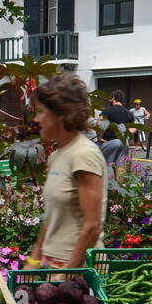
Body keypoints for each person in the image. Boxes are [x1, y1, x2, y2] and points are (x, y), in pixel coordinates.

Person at [27, 75, 108, 268]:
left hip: (79, 271)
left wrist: (68, 275)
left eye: (40, 112)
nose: (36, 119)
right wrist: (33, 261)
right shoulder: (57, 156)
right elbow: (51, 218)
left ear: (59, 114)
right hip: (55, 265)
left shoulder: (83, 154)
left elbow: (93, 226)